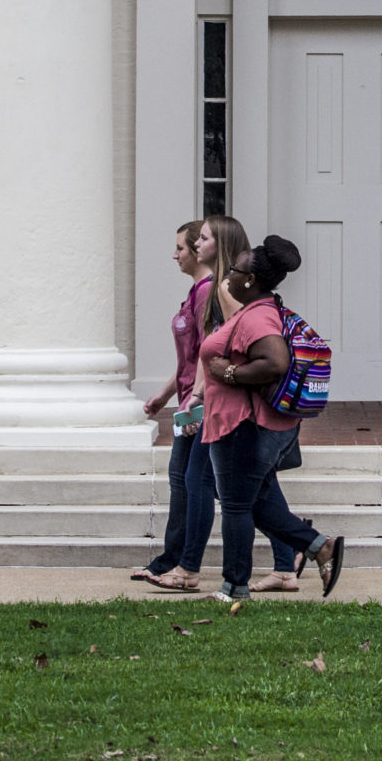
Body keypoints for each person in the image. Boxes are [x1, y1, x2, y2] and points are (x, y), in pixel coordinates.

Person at [140, 217, 304, 593]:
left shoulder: (231, 298)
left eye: (204, 238)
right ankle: (293, 553)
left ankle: (201, 571)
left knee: (209, 486)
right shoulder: (220, 291)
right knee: (237, 488)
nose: (196, 243)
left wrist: (204, 392)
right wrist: (173, 394)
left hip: (223, 411)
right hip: (206, 404)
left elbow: (231, 351)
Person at [199, 235, 343, 603]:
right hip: (253, 424)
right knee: (246, 499)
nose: (228, 276)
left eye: (234, 271)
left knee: (235, 506)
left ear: (249, 280)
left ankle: (234, 587)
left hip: (245, 425)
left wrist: (227, 372)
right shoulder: (263, 310)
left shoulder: (258, 316)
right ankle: (317, 546)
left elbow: (275, 363)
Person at [131, 219, 210, 588]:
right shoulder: (194, 293)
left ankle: (175, 562)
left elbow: (206, 354)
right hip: (184, 403)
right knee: (185, 481)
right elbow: (188, 357)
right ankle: (171, 561)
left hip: (198, 407)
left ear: (198, 250)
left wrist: (194, 399)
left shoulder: (206, 292)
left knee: (190, 482)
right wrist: (166, 394)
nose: (174, 254)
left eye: (180, 248)